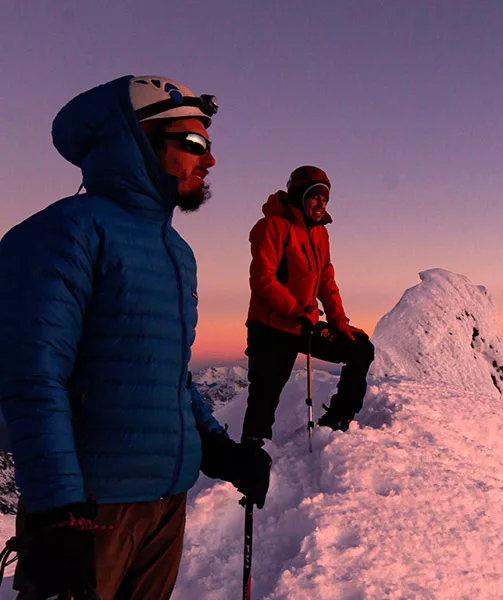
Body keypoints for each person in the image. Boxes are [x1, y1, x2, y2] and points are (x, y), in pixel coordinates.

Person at [0, 75, 271, 600]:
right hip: (90, 510)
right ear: (137, 142)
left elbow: (166, 373)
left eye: (209, 146)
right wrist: (58, 513)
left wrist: (217, 449)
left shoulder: (177, 252)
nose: (209, 160)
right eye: (193, 144)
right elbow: (33, 377)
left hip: (165, 505)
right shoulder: (66, 232)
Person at [243, 166, 375, 446]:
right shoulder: (272, 226)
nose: (321, 204)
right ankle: (251, 464)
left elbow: (326, 279)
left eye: (325, 199)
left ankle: (338, 420)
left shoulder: (319, 234)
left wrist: (340, 322)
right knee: (264, 398)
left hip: (302, 322)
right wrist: (296, 309)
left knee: (360, 348)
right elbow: (262, 279)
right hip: (270, 327)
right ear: (298, 196)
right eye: (314, 197)